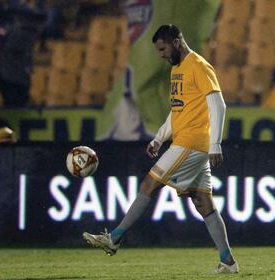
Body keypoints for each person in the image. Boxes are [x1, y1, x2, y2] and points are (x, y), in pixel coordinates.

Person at [83, 24, 239, 274]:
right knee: (203, 202)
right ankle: (228, 262)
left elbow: (218, 105)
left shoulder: (198, 66)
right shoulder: (177, 69)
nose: (162, 55)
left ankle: (114, 238)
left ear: (177, 41)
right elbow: (178, 110)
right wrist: (159, 138)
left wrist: (215, 144)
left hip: (192, 143)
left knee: (149, 183)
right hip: (186, 142)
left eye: (163, 49)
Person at [0, 2, 46, 107]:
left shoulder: (9, 38)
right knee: (15, 106)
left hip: (12, 78)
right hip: (18, 77)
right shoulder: (29, 31)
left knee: (14, 106)